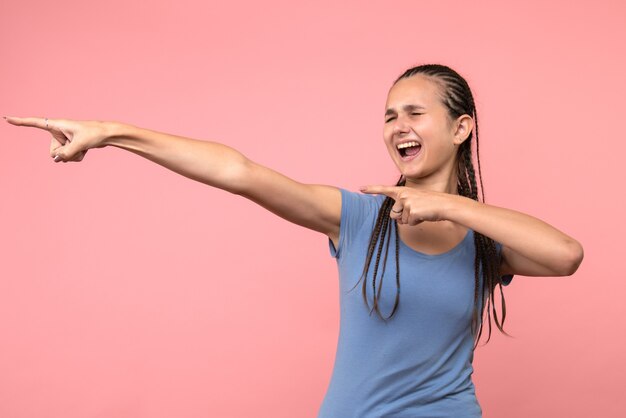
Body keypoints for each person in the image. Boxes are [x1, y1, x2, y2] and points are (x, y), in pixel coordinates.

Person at [5, 63, 584, 417]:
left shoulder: (486, 242)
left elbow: (566, 255)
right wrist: (111, 133)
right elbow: (239, 171)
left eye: (415, 112)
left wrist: (450, 205)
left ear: (462, 128)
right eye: (388, 116)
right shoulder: (358, 217)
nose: (398, 126)